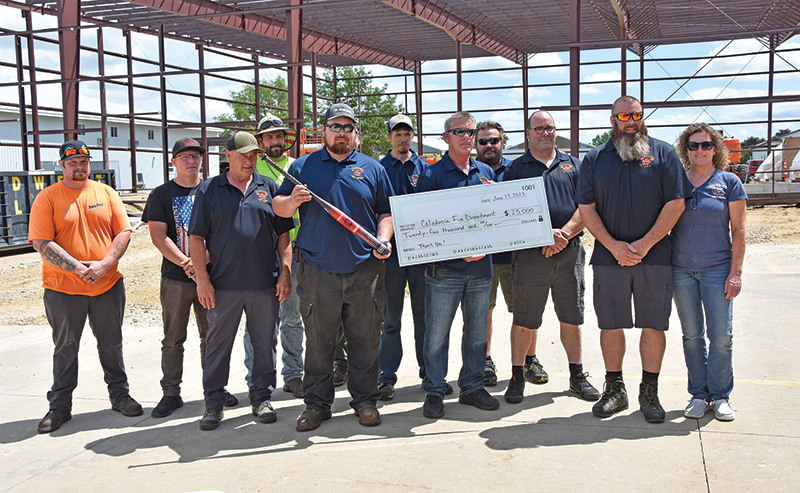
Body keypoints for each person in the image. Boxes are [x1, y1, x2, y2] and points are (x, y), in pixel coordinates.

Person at [273, 103, 394, 431]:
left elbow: (386, 211)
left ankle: (365, 400)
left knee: (365, 339)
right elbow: (279, 208)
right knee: (319, 341)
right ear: (323, 130)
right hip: (317, 270)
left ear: (356, 134)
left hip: (364, 270)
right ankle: (316, 404)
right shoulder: (302, 166)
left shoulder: (373, 169)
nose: (341, 132)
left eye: (347, 127)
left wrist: (383, 238)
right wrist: (292, 201)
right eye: (334, 126)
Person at [577, 96, 685, 423]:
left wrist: (644, 244)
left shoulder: (663, 153)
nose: (631, 121)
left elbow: (676, 203)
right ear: (612, 120)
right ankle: (615, 389)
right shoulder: (595, 159)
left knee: (653, 324)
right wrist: (612, 246)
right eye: (624, 115)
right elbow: (586, 209)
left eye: (637, 115)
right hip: (610, 260)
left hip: (655, 257)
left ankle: (648, 392)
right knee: (611, 325)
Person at [29, 139, 142, 433]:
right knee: (65, 347)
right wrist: (78, 267)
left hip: (107, 286)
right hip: (63, 290)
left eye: (83, 162)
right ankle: (60, 406)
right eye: (72, 163)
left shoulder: (105, 192)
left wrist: (104, 264)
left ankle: (120, 396)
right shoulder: (48, 197)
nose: (79, 168)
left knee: (111, 344)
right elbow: (42, 242)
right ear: (62, 166)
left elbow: (123, 232)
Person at [188, 132, 293, 430]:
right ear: (228, 156)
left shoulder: (268, 186)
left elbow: (283, 235)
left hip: (265, 284)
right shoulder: (210, 190)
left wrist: (285, 272)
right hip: (223, 286)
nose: (250, 161)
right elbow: (196, 238)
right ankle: (213, 403)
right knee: (217, 345)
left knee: (265, 344)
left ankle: (261, 398)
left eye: (254, 156)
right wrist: (202, 280)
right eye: (244, 155)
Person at [502, 111, 600, 404]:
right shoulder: (516, 168)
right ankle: (517, 377)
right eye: (539, 128)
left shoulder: (574, 166)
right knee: (524, 320)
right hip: (530, 256)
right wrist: (545, 236)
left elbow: (587, 207)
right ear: (528, 133)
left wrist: (564, 236)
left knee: (571, 317)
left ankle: (576, 376)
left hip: (569, 254)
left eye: (550, 128)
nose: (545, 133)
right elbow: (509, 212)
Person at [142, 138, 239, 418]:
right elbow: (159, 237)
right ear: (173, 161)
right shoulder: (161, 195)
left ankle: (215, 390)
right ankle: (171, 393)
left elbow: (223, 231)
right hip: (176, 277)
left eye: (196, 156)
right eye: (184, 156)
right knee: (173, 338)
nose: (191, 161)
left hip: (211, 278)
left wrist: (202, 262)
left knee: (212, 337)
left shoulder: (213, 190)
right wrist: (187, 262)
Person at [417, 111, 500, 419]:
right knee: (437, 335)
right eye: (460, 132)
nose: (468, 137)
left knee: (478, 334)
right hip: (446, 271)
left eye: (471, 132)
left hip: (481, 270)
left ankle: (472, 387)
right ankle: (435, 391)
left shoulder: (485, 172)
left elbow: (497, 219)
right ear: (446, 137)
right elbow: (425, 224)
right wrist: (458, 252)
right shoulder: (432, 175)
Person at [672, 123, 746, 421]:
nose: (700, 150)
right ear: (685, 150)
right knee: (692, 336)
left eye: (705, 145)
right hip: (682, 271)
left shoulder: (729, 182)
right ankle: (699, 395)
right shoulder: (677, 182)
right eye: (693, 145)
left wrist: (735, 272)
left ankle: (720, 394)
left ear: (716, 148)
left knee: (721, 337)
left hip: (718, 271)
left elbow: (739, 230)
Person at [239, 113, 305, 399]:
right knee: (258, 322)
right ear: (260, 142)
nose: (275, 141)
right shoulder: (253, 169)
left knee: (293, 318)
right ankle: (257, 377)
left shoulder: (297, 167)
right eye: (268, 137)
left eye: (279, 136)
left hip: (297, 254)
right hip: (262, 256)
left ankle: (293, 374)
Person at [377, 114, 431, 401]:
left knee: (424, 317)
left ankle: (429, 372)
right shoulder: (378, 169)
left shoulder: (425, 168)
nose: (402, 138)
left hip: (421, 253)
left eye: (407, 133)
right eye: (397, 133)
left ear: (413, 136)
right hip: (390, 255)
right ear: (389, 137)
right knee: (390, 320)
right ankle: (386, 376)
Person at [475, 120, 512, 387]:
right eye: (483, 141)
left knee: (522, 311)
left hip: (513, 256)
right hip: (480, 258)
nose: (489, 145)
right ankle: (485, 361)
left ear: (502, 142)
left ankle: (528, 360)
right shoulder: (470, 172)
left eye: (494, 140)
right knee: (483, 313)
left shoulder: (518, 170)